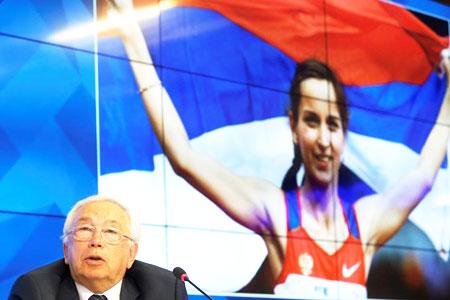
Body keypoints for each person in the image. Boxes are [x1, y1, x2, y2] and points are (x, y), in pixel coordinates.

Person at [106, 0, 450, 298]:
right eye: (312, 121)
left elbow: (423, 175)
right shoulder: (276, 212)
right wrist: (132, 36)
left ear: (344, 134)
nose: (324, 140)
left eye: (333, 124)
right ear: (294, 128)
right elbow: (183, 156)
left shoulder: (365, 224)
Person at [8, 195, 188, 300]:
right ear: (66, 250)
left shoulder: (165, 291)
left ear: (131, 253)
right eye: (85, 229)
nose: (96, 241)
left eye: (110, 231)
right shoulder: (34, 291)